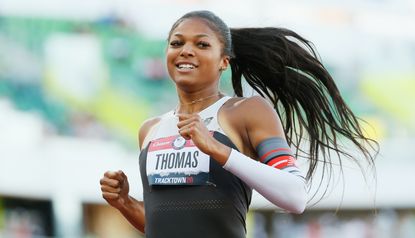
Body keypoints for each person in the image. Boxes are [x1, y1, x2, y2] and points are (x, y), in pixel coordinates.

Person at [100, 10, 377, 238]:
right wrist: (124, 202)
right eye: (176, 43)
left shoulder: (245, 111)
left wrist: (218, 150)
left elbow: (295, 197)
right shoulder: (151, 129)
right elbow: (163, 223)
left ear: (224, 61)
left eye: (201, 44)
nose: (185, 51)